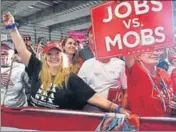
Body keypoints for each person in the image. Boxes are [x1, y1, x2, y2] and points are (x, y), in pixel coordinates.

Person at [2, 12, 130, 115]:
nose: (53, 57)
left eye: (57, 53)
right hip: (34, 121)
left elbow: (94, 97)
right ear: (44, 57)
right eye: (50, 54)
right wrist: (12, 27)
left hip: (58, 124)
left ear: (62, 55)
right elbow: (21, 48)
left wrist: (120, 110)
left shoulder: (70, 78)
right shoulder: (37, 67)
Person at [78, 26, 128, 110]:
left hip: (115, 105)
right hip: (94, 105)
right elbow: (79, 89)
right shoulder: (87, 64)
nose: (103, 47)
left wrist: (123, 109)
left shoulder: (120, 64)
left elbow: (126, 90)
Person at [125, 50, 174, 116]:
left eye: (157, 50)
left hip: (169, 122)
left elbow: (171, 95)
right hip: (146, 124)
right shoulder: (136, 71)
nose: (155, 53)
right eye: (149, 50)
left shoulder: (163, 72)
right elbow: (127, 48)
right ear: (137, 56)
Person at [0, 40, 30, 107]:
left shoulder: (21, 68)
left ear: (13, 52)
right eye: (1, 48)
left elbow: (31, 88)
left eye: (7, 48)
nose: (2, 50)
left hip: (17, 111)